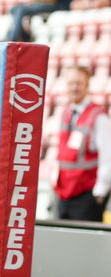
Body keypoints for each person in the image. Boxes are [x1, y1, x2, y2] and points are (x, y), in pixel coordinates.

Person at [54, 65, 111, 222]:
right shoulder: (65, 113)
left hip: (87, 194)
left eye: (78, 83)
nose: (74, 87)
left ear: (87, 85)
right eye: (71, 83)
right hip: (64, 192)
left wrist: (100, 191)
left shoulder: (99, 117)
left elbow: (108, 156)